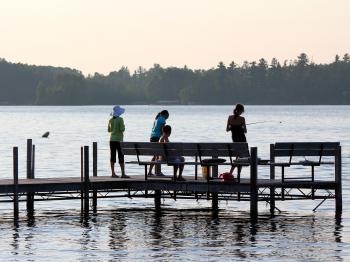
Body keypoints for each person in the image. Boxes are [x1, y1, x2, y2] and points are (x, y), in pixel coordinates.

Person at [108, 105, 129, 178]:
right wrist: (124, 126)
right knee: (121, 156)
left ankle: (113, 173)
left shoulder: (110, 120)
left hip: (111, 140)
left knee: (112, 156)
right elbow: (122, 129)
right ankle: (123, 173)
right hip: (119, 140)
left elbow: (109, 130)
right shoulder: (120, 119)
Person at [226, 104, 247, 174]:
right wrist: (241, 127)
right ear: (240, 110)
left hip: (235, 140)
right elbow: (245, 131)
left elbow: (227, 129)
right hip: (242, 141)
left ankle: (231, 173)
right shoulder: (242, 119)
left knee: (238, 158)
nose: (242, 113)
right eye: (242, 111)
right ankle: (234, 174)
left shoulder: (230, 117)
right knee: (240, 158)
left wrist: (232, 127)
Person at [148, 110, 169, 176]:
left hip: (152, 137)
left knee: (155, 155)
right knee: (159, 155)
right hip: (157, 138)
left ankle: (150, 171)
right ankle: (158, 172)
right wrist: (165, 139)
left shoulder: (156, 119)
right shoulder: (162, 119)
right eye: (167, 116)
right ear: (165, 114)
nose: (167, 117)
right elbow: (163, 130)